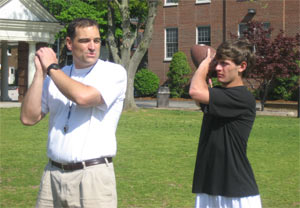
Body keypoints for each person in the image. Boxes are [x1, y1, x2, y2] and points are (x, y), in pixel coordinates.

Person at [20, 18, 127, 208]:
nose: (93, 47)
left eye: (97, 40)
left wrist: (52, 68)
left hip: (92, 177)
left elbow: (83, 97)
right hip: (52, 174)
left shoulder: (113, 72)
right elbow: (28, 118)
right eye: (85, 41)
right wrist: (40, 73)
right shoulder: (57, 75)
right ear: (69, 43)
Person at [189, 40, 262, 208]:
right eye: (217, 63)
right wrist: (206, 76)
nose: (218, 68)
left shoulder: (242, 97)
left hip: (236, 189)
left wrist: (204, 63)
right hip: (209, 185)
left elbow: (194, 92)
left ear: (241, 66)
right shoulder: (220, 94)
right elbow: (199, 101)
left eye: (224, 64)